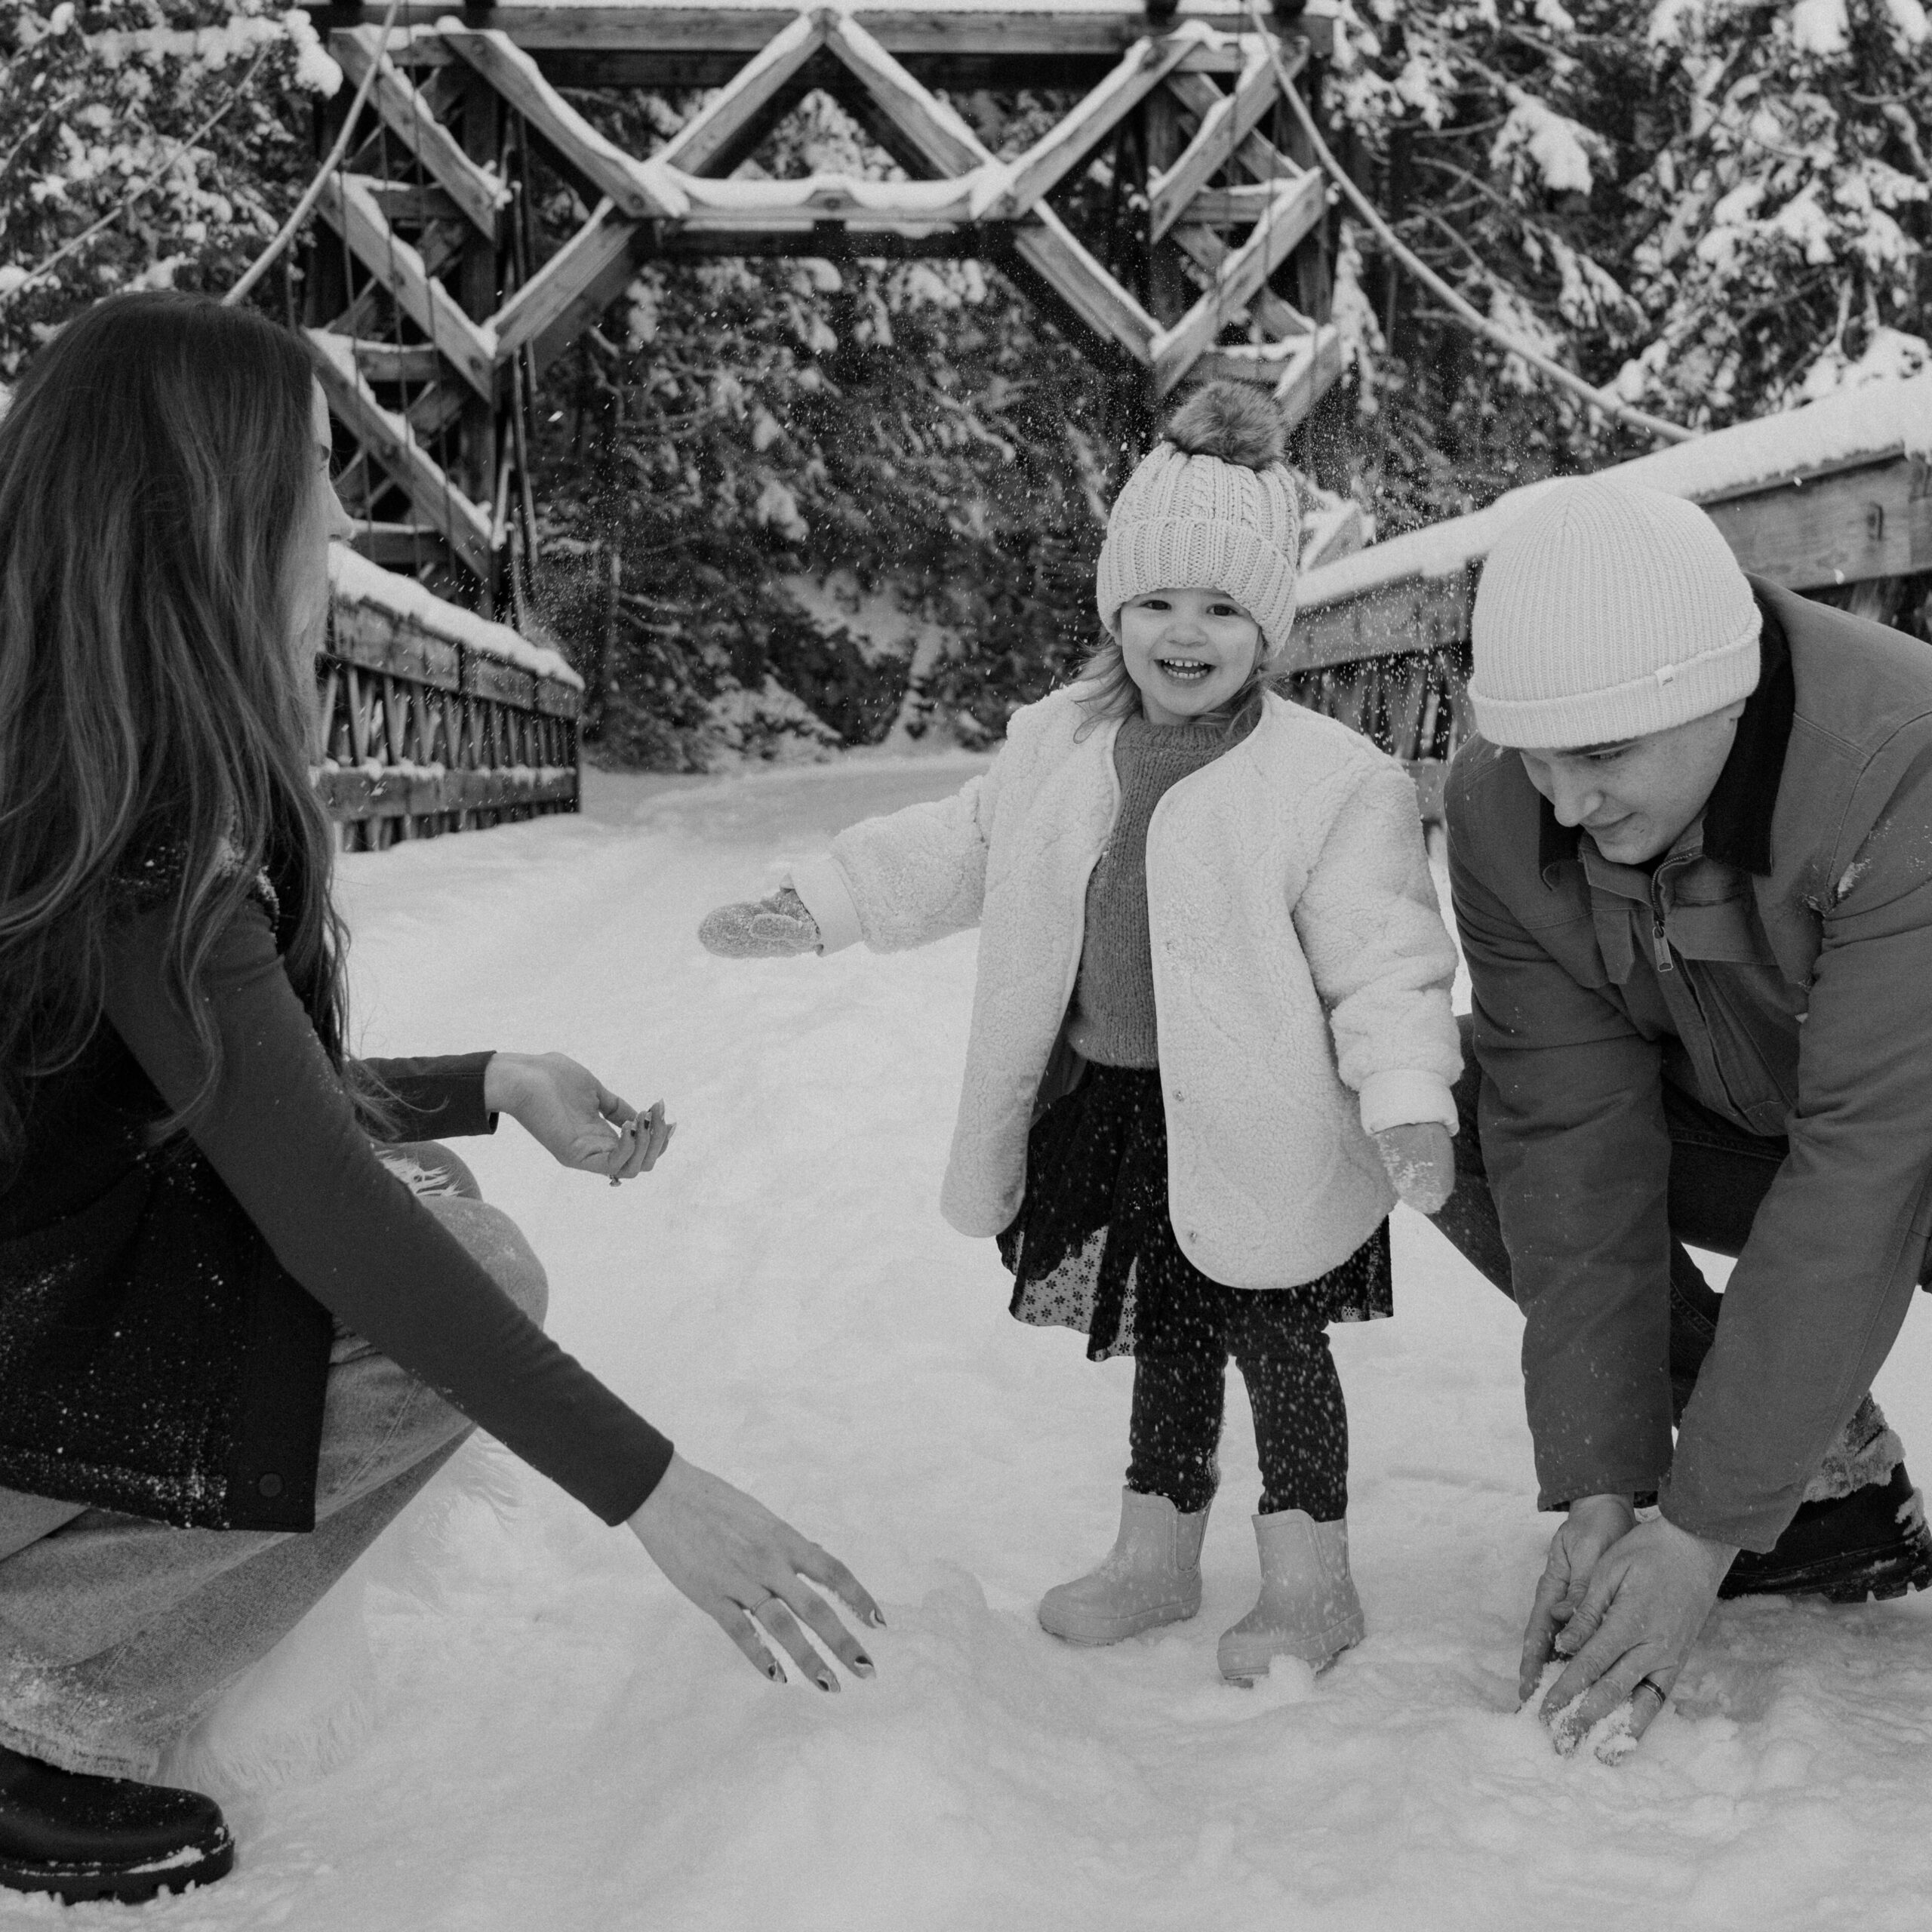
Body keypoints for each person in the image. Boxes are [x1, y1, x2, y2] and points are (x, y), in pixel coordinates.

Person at [0, 292, 881, 1906]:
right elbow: (318, 1206)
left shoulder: (74, 773)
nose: (341, 520)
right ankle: (47, 1696)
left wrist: (489, 1080)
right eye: (310, 480)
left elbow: (203, 1103)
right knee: (457, 1274)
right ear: (206, 514)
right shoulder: (141, 844)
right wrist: (655, 1488)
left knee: (441, 1219)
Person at [700, 383, 1461, 1685]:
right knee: (1167, 1336)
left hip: (1262, 1118)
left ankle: (1310, 1584)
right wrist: (821, 903)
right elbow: (960, 848)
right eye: (1160, 601)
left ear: (1270, 629)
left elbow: (1383, 950)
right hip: (1117, 1105)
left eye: (1225, 608)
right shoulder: (1060, 744)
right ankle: (1156, 1554)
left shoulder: (1330, 781)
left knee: (1277, 1341)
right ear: (1116, 608)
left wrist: (1403, 1091)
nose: (1188, 633)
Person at [1436, 475, 1932, 1757]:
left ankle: (1756, 1473)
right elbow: (1564, 1138)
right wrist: (1608, 1483)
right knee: (1444, 1102)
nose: (1563, 802)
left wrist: (1702, 1531)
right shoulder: (1504, 801)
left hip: (1905, 1134)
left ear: (1718, 694)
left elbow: (1869, 1165)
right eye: (1538, 754)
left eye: (1602, 755)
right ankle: (1822, 1489)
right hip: (1761, 1124)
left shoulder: (1899, 760)